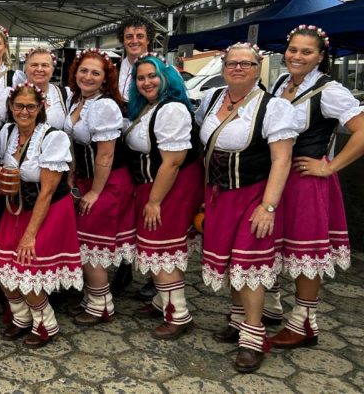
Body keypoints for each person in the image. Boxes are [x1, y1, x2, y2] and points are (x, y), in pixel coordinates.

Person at [196, 42, 297, 373]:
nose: (237, 68)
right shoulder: (212, 100)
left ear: (259, 67)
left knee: (250, 266)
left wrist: (267, 207)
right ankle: (238, 320)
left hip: (253, 195)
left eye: (246, 64)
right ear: (223, 67)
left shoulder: (273, 108)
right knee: (230, 263)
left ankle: (254, 337)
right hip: (219, 195)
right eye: (231, 63)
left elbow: (281, 159)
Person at [267, 26, 364, 349]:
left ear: (320, 56)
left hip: (306, 180)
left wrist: (329, 166)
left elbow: (362, 131)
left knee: (305, 252)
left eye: (306, 52)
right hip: (277, 177)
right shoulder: (282, 83)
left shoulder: (330, 90)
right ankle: (272, 305)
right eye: (293, 49)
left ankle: (304, 323)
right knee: (276, 245)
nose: (297, 56)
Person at [0, 82, 82, 348]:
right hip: (15, 208)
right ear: (10, 107)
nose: (24, 111)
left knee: (27, 268)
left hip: (49, 209)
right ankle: (20, 318)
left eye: (31, 106)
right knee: (2, 268)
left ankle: (46, 324)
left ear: (41, 107)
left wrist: (30, 235)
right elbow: (2, 170)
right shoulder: (7, 133)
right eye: (19, 106)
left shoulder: (53, 137)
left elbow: (48, 191)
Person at [124, 54, 203, 339]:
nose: (147, 82)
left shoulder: (172, 110)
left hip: (171, 185)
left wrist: (155, 201)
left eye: (152, 76)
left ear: (166, 77)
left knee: (161, 246)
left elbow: (172, 162)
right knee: (155, 246)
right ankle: (162, 301)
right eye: (141, 78)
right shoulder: (150, 107)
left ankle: (178, 314)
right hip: (156, 183)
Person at [63, 49, 135, 326]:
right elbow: (73, 144)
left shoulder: (105, 106)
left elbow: (105, 154)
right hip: (86, 179)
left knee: (93, 242)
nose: (88, 76)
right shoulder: (77, 100)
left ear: (106, 79)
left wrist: (95, 191)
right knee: (84, 238)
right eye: (84, 70)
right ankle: (93, 297)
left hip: (107, 181)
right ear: (75, 72)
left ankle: (100, 305)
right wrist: (72, 179)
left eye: (96, 73)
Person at [113, 14, 158, 299]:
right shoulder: (114, 67)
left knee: (152, 208)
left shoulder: (158, 68)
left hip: (149, 146)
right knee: (124, 207)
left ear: (148, 39)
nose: (134, 41)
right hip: (121, 143)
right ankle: (125, 264)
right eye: (129, 36)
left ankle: (156, 273)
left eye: (139, 36)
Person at [23, 48, 70, 129]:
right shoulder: (12, 94)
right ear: (26, 68)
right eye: (34, 65)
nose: (39, 69)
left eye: (45, 65)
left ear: (52, 70)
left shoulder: (65, 94)